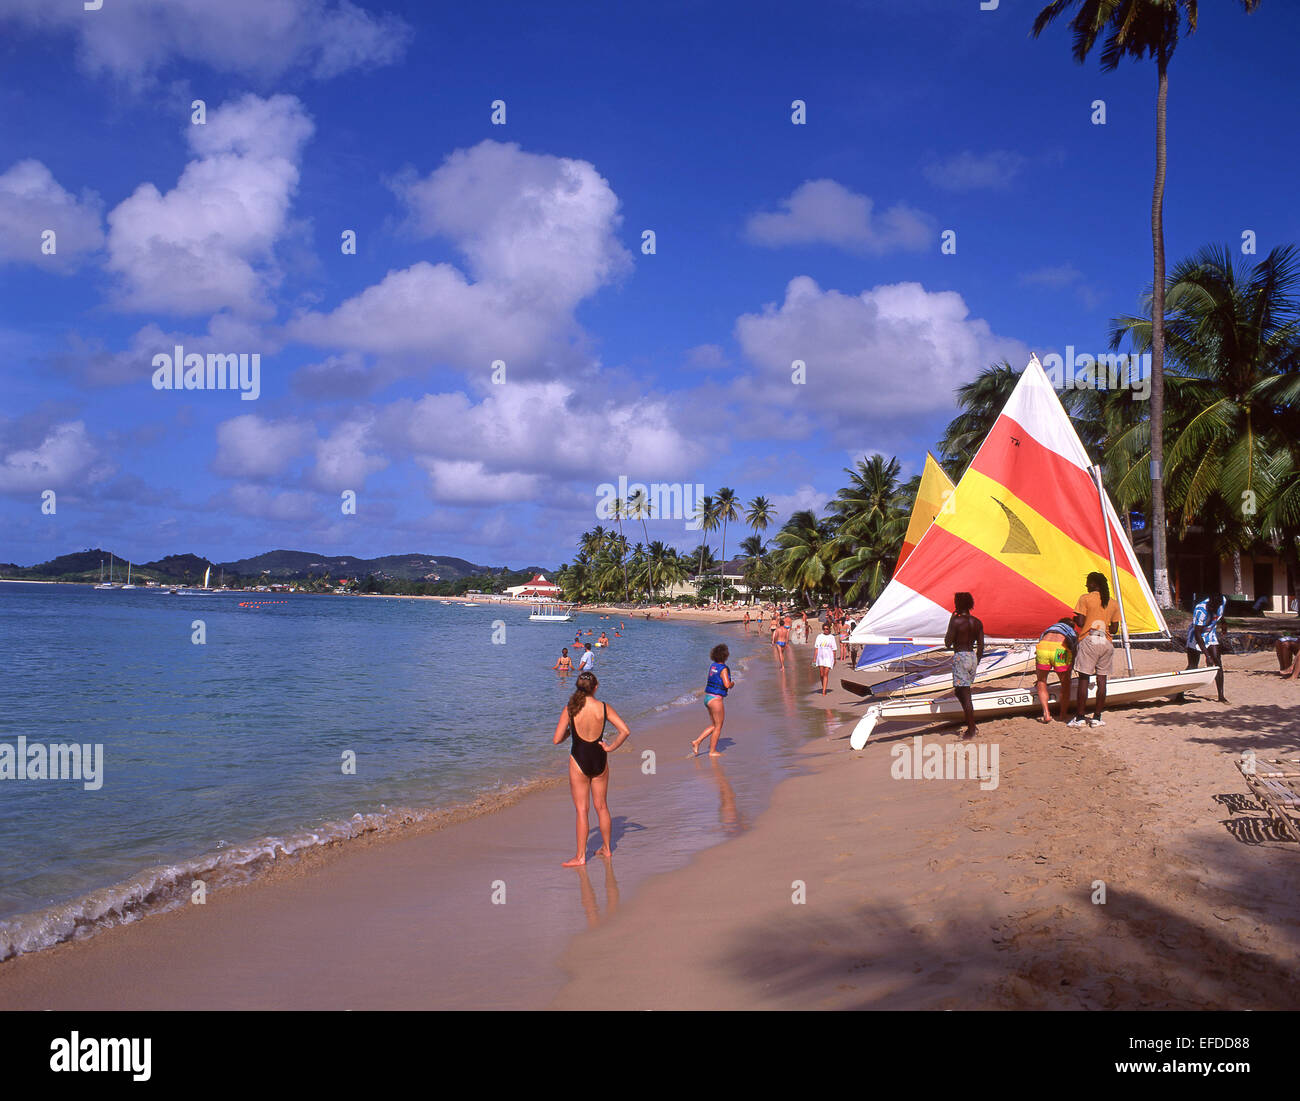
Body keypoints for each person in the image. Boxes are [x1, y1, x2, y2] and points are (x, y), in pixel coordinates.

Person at [552, 671, 631, 866]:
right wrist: (610, 747)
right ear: (595, 688)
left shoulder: (570, 708)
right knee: (602, 806)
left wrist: (570, 731)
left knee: (581, 810)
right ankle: (607, 849)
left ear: (578, 688)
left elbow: (556, 739)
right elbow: (625, 731)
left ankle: (580, 857)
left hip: (579, 760)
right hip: (600, 758)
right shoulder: (603, 708)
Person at [1070, 572, 1122, 727]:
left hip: (1089, 640)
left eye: (1087, 582)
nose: (1086, 586)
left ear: (1093, 583)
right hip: (1105, 642)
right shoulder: (1113, 603)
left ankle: (1080, 717)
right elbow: (1113, 629)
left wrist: (1075, 619)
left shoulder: (1085, 598)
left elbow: (1080, 622)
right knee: (1102, 680)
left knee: (1084, 679)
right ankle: (1097, 718)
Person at [944, 593, 984, 740]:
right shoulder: (977, 622)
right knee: (959, 691)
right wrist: (976, 661)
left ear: (958, 604)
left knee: (965, 694)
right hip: (972, 656)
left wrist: (951, 621)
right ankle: (970, 721)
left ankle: (971, 728)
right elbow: (981, 646)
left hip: (961, 655)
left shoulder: (956, 621)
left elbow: (948, 642)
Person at [1185, 591, 1229, 702]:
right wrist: (1207, 655)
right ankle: (1179, 693)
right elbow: (1198, 634)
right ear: (1209, 602)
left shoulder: (1222, 601)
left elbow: (1221, 613)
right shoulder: (1201, 610)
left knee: (1218, 663)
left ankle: (1221, 696)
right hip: (1195, 637)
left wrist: (1223, 623)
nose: (1214, 608)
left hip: (1210, 634)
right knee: (1192, 666)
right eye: (1212, 606)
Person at [692, 644, 734, 757]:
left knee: (714, 725)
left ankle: (697, 742)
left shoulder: (713, 666)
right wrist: (732, 684)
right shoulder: (723, 669)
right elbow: (726, 684)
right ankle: (712, 751)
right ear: (725, 656)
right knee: (718, 726)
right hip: (716, 700)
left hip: (708, 698)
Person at [1034, 616, 1077, 723]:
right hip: (1059, 649)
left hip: (1043, 648)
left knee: (1041, 681)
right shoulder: (1071, 631)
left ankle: (1046, 713)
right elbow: (1074, 651)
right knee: (1065, 683)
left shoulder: (1050, 629)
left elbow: (1040, 642)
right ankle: (1063, 714)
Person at [813, 621, 838, 695]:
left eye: (827, 629)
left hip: (828, 657)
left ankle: (824, 691)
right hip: (820, 657)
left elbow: (834, 649)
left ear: (829, 629)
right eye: (824, 629)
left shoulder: (831, 637)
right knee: (821, 674)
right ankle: (823, 686)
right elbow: (817, 648)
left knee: (826, 673)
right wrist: (814, 658)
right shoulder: (819, 636)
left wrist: (834, 659)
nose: (825, 630)